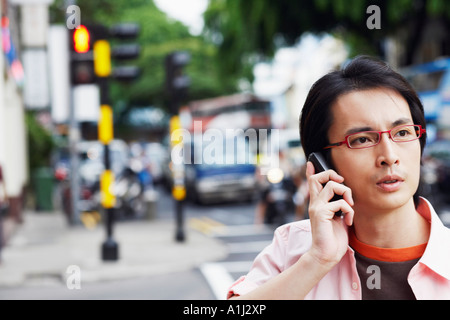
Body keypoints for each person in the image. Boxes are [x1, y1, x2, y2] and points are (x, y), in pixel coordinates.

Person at [227, 56, 450, 300]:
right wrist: (317, 261)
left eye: (403, 132)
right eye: (362, 139)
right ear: (322, 163)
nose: (389, 155)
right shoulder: (294, 249)